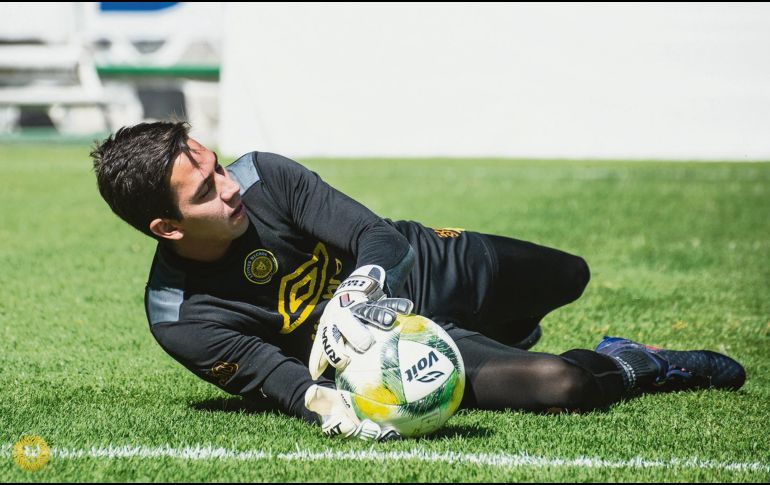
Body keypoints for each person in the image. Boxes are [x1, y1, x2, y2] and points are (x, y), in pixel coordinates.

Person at [91, 121, 746, 440]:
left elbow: (379, 237)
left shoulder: (264, 174)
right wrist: (333, 407)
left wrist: (362, 286)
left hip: (419, 262)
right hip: (388, 353)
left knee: (568, 274)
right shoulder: (179, 318)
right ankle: (635, 360)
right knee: (563, 383)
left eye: (215, 164)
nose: (229, 186)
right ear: (167, 228)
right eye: (206, 190)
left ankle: (505, 326)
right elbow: (284, 382)